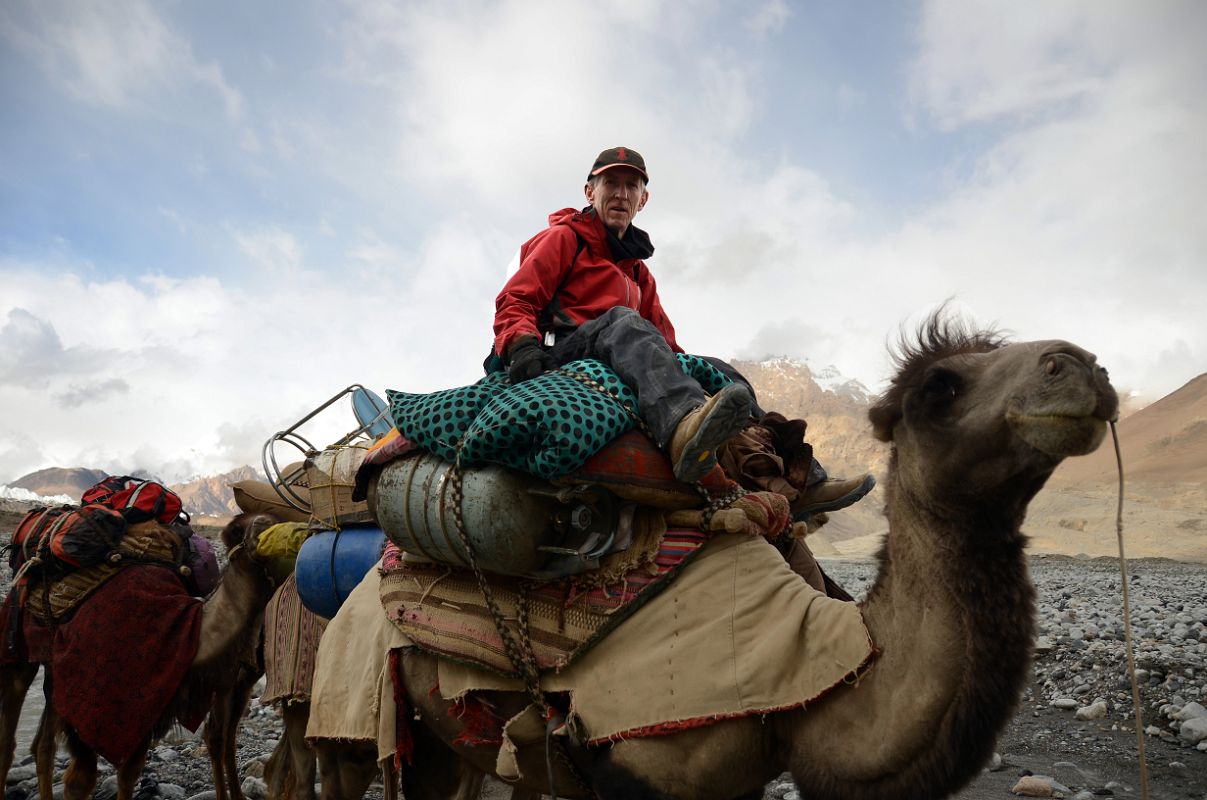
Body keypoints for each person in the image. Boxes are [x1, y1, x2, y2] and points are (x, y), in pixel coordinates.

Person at [490, 146, 872, 514]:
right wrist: (522, 346)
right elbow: (517, 299)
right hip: (564, 352)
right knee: (622, 321)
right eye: (611, 184)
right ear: (590, 191)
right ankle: (683, 433)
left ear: (644, 199)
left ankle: (804, 477)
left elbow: (664, 342)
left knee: (720, 369)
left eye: (631, 186)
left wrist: (694, 372)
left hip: (621, 344)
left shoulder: (638, 272)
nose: (621, 194)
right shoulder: (565, 239)